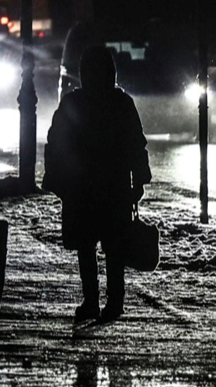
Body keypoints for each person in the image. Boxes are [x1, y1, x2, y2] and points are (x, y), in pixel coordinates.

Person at [42, 45, 152, 323]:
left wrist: (56, 179)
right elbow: (136, 144)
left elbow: (56, 144)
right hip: (114, 186)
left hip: (81, 187)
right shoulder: (121, 103)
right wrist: (139, 179)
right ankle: (114, 303)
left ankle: (90, 301)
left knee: (86, 245)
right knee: (114, 248)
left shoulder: (72, 103)